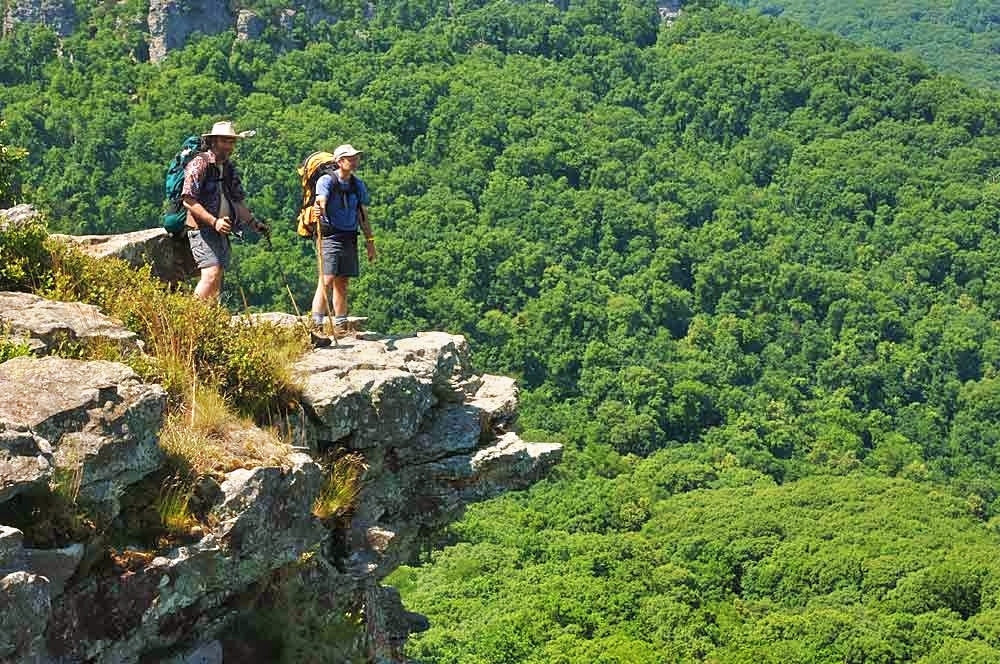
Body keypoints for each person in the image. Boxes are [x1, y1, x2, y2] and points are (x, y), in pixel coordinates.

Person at [181, 120, 268, 301]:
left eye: (231, 141)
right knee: (211, 274)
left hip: (223, 230)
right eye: (224, 141)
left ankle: (210, 317)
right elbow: (188, 200)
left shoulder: (228, 168)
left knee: (217, 277)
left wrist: (254, 224)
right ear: (213, 142)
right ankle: (189, 315)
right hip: (202, 229)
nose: (229, 146)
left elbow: (236, 201)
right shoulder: (199, 164)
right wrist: (214, 222)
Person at [310, 143, 376, 334]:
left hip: (349, 236)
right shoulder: (326, 180)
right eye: (350, 159)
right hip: (330, 236)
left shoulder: (357, 185)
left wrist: (370, 241)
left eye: (356, 158)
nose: (354, 162)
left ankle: (340, 324)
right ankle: (316, 324)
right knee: (327, 279)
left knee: (343, 281)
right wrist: (320, 208)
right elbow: (321, 199)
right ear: (339, 161)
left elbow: (362, 214)